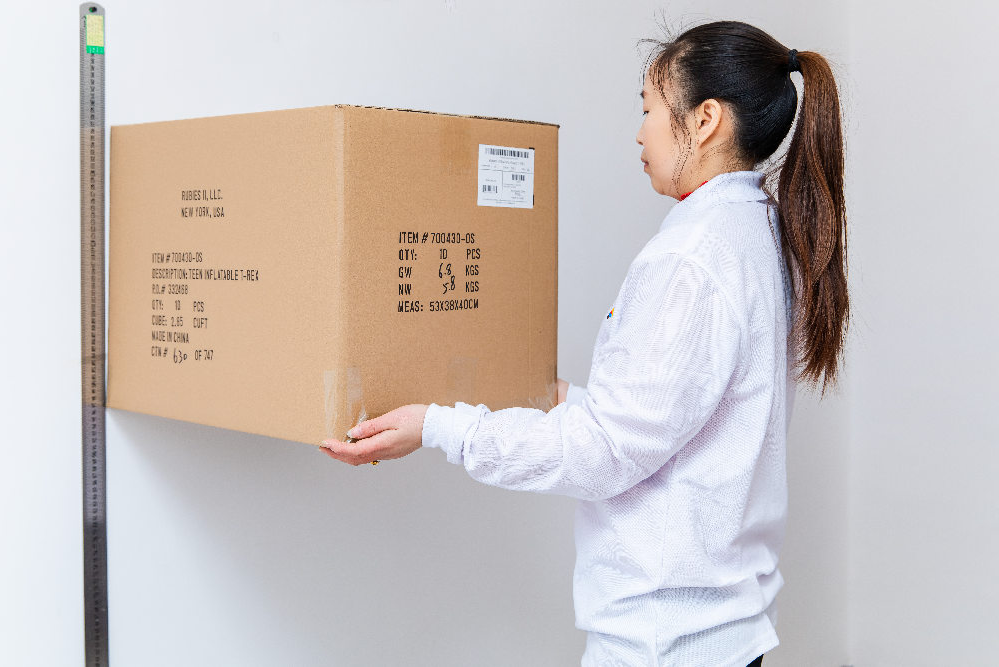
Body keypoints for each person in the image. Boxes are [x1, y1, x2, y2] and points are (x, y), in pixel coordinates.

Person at [320, 20, 848, 667]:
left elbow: (607, 452)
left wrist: (439, 427)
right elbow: (667, 420)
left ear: (705, 120)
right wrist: (558, 397)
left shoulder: (692, 259)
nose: (640, 130)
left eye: (649, 108)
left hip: (665, 642)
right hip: (717, 630)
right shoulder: (758, 234)